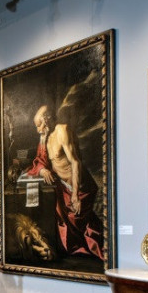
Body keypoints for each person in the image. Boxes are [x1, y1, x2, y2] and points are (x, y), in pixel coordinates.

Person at [26, 105, 104, 260]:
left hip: (79, 186)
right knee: (65, 223)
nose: (38, 130)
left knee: (82, 221)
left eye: (39, 125)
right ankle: (76, 255)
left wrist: (75, 194)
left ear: (46, 119)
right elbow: (39, 160)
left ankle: (96, 251)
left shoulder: (63, 131)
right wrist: (43, 170)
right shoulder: (45, 138)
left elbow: (75, 162)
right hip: (63, 187)